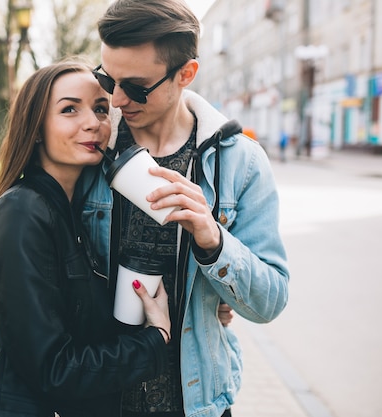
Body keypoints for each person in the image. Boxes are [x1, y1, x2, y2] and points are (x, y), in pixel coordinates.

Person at [78, 0, 291, 416]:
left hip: (195, 402)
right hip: (98, 395)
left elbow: (271, 301)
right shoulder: (92, 149)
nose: (117, 100)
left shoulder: (239, 162)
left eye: (136, 87)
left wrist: (213, 241)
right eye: (107, 78)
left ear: (186, 74)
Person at [0, 60, 173, 417]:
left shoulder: (68, 211)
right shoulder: (22, 211)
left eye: (99, 109)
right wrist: (153, 342)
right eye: (69, 109)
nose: (93, 122)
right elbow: (54, 369)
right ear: (35, 128)